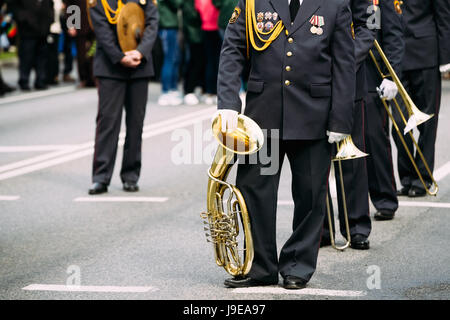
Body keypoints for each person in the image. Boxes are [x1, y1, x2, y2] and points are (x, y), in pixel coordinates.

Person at [216, 0, 355, 289]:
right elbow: (232, 49)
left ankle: (297, 265)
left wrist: (341, 119)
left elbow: (344, 63)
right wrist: (228, 103)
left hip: (313, 117)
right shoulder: (253, 1)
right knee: (255, 192)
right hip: (263, 119)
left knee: (310, 195)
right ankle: (260, 266)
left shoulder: (335, 5)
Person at [321, 0, 376, 250]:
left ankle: (356, 227)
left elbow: (369, 26)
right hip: (311, 80)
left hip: (349, 78)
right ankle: (320, 229)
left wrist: (343, 60)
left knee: (352, 160)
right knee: (312, 161)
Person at [88, 0, 159, 195]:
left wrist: (140, 52)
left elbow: (152, 24)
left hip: (140, 66)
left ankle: (130, 175)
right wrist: (120, 57)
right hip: (110, 67)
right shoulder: (98, 2)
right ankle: (100, 178)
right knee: (108, 123)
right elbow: (101, 30)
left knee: (136, 124)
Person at [393, 0, 450, 198]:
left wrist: (445, 58)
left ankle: (422, 177)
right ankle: (407, 176)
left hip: (426, 54)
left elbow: (443, 16)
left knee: (427, 121)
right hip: (396, 55)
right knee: (399, 122)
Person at [364, 0, 404, 221]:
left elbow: (392, 34)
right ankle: (352, 208)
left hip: (372, 75)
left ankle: (385, 198)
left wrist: (392, 76)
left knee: (375, 138)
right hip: (336, 73)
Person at [9, 0, 54, 91]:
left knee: (42, 57)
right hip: (27, 29)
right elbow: (13, 6)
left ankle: (40, 80)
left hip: (43, 28)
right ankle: (24, 81)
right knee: (26, 57)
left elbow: (50, 5)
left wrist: (50, 19)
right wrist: (23, 18)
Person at [64, 0, 96, 88]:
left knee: (94, 53)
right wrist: (71, 25)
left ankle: (94, 78)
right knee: (82, 54)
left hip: (96, 24)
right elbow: (71, 6)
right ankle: (84, 78)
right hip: (80, 22)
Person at [195, 0, 221, 105]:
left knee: (209, 61)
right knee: (217, 61)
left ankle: (210, 92)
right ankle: (215, 91)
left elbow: (198, 8)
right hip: (216, 27)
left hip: (206, 27)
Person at [157, 0, 182, 106]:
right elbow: (177, 3)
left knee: (174, 58)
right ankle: (166, 91)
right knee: (169, 59)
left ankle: (172, 89)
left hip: (169, 25)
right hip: (167, 25)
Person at [181, 0, 205, 105]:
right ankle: (188, 90)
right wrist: (203, 14)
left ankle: (195, 88)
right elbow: (191, 14)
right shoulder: (188, 3)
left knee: (199, 62)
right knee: (194, 62)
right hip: (193, 33)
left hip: (198, 32)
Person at [47, 0, 64, 85]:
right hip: (49, 28)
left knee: (55, 53)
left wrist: (73, 25)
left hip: (59, 27)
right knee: (49, 54)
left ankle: (57, 75)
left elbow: (72, 7)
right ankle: (48, 76)